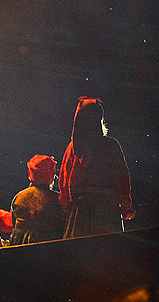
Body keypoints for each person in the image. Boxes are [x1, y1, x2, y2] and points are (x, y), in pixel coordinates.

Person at [58, 97, 135, 238]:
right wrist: (126, 207)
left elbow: (64, 181)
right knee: (107, 254)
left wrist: (66, 208)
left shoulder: (72, 149)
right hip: (106, 213)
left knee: (79, 255)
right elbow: (122, 179)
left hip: (79, 216)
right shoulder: (110, 146)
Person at [8, 155, 65, 245]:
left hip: (17, 248)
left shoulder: (19, 197)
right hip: (44, 251)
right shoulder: (56, 199)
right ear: (51, 175)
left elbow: (13, 225)